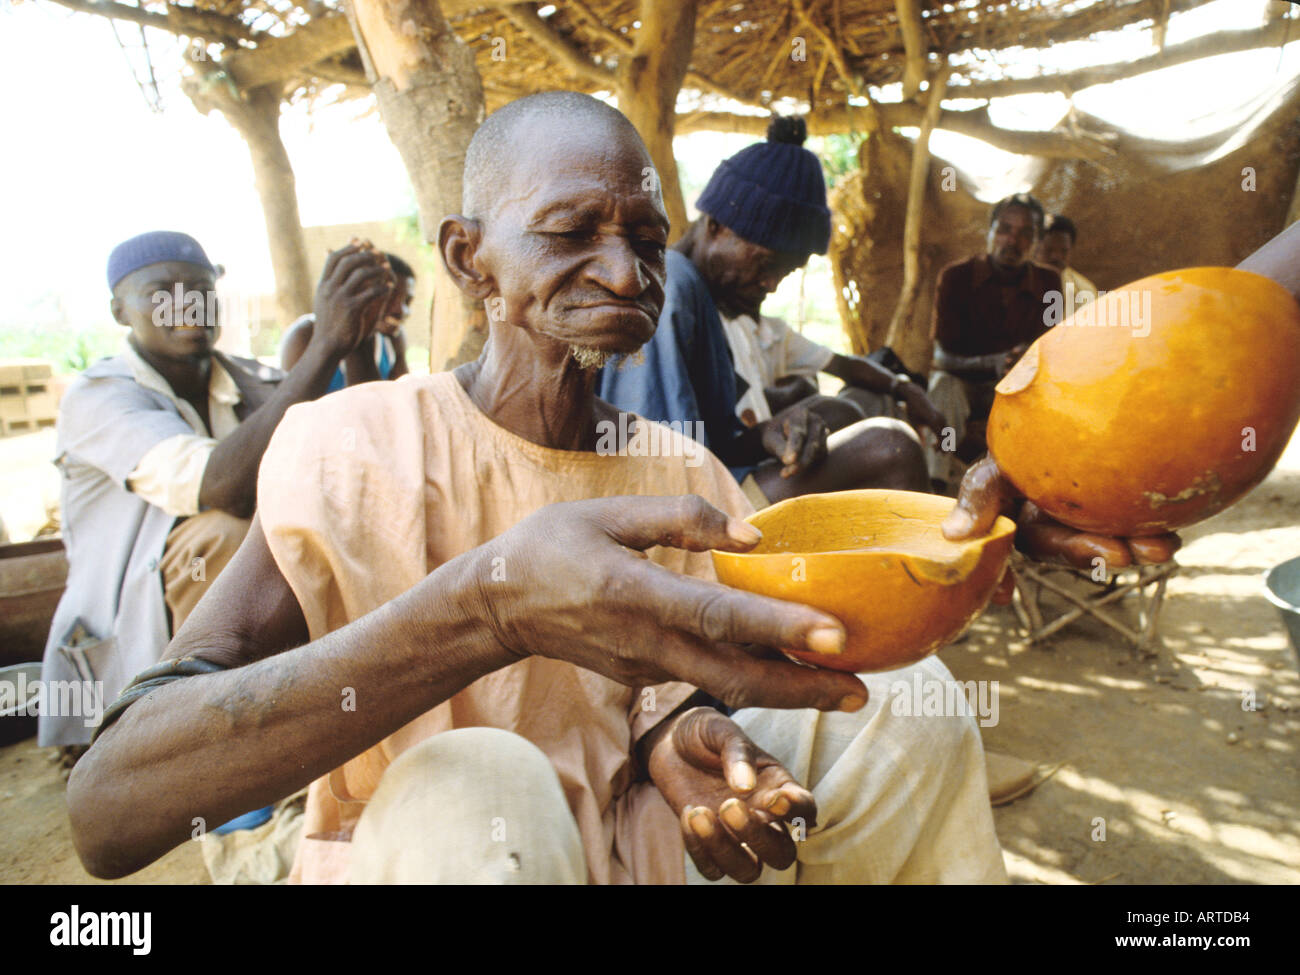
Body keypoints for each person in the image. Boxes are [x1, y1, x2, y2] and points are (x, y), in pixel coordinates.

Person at [67, 93, 1015, 886]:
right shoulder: (355, 447)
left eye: (646, 239)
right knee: (476, 777)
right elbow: (110, 805)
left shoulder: (681, 472)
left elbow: (717, 677)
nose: (622, 269)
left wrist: (683, 731)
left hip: (639, 843)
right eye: (571, 230)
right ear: (466, 256)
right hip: (435, 851)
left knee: (906, 710)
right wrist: (490, 607)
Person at [39, 231, 395, 749]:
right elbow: (221, 487)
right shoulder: (99, 397)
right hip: (130, 625)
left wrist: (357, 339)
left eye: (201, 289)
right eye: (162, 292)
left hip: (231, 609)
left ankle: (296, 723)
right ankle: (211, 752)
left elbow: (354, 455)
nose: (187, 305)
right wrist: (324, 346)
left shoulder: (248, 380)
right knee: (227, 535)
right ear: (120, 311)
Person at [599, 117, 946, 512]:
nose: (771, 285)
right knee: (892, 448)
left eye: (785, 273)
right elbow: (658, 472)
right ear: (716, 227)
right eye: (765, 264)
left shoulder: (699, 295)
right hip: (679, 517)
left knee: (841, 412)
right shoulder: (672, 289)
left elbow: (715, 440)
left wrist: (768, 432)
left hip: (699, 484)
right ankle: (929, 562)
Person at [926, 193, 1063, 492]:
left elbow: (1053, 349)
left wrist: (1027, 360)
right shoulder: (955, 277)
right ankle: (933, 484)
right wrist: (994, 362)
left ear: (1037, 241)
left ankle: (1035, 490)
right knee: (942, 387)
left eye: (1025, 234)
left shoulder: (1049, 283)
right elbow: (942, 357)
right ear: (989, 233)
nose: (1012, 241)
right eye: (1004, 229)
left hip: (1013, 389)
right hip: (961, 385)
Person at [280, 250, 413, 388]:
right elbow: (292, 407)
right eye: (390, 297)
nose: (401, 310)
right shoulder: (303, 336)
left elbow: (394, 403)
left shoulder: (392, 339)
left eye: (407, 301)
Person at [1034, 213, 1098, 309]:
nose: (1056, 256)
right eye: (1049, 250)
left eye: (1064, 251)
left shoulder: (1085, 292)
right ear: (1035, 248)